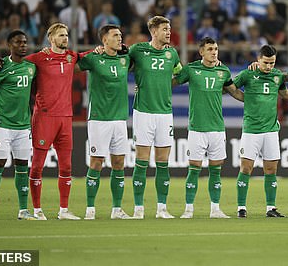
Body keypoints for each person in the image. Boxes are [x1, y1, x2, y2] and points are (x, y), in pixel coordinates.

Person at [0, 23, 90, 220]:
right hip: (44, 117)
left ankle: (63, 210)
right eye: (61, 35)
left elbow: (88, 56)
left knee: (67, 166)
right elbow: (14, 62)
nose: (65, 38)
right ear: (51, 39)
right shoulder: (38, 59)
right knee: (37, 166)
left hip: (65, 118)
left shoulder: (71, 57)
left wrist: (100, 49)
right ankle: (36, 210)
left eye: (66, 35)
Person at [175, 37, 244, 219]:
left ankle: (215, 209)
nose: (214, 52)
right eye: (210, 49)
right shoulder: (191, 69)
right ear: (201, 52)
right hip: (197, 127)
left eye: (215, 49)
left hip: (217, 128)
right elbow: (173, 82)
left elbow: (234, 91)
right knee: (194, 167)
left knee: (216, 169)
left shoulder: (223, 71)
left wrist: (253, 101)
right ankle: (188, 209)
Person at [233, 45, 288, 218]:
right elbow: (230, 88)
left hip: (271, 130)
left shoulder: (278, 76)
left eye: (272, 63)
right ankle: (241, 207)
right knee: (246, 168)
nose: (269, 66)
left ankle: (270, 208)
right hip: (251, 130)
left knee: (271, 169)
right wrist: (245, 99)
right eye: (266, 63)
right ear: (258, 59)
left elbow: (285, 94)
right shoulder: (248, 74)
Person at [0, 30, 37, 221]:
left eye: (25, 42)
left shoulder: (31, 67)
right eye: (18, 42)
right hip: (2, 124)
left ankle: (23, 210)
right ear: (9, 45)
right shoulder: (0, 67)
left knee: (22, 166)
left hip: (23, 126)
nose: (23, 45)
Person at [78, 25, 133, 220]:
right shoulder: (94, 59)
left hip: (119, 119)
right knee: (96, 162)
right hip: (99, 118)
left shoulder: (125, 59)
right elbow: (73, 61)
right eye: (115, 35)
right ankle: (90, 209)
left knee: (119, 163)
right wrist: (90, 51)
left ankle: (117, 209)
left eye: (120, 35)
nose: (120, 38)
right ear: (104, 40)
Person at [129, 16, 182, 219]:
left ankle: (162, 208)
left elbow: (179, 74)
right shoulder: (138, 50)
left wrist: (164, 86)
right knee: (141, 160)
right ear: (153, 31)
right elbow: (122, 64)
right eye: (164, 29)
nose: (169, 32)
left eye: (169, 29)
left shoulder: (172, 53)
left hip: (164, 113)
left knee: (162, 161)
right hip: (143, 112)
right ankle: (138, 209)